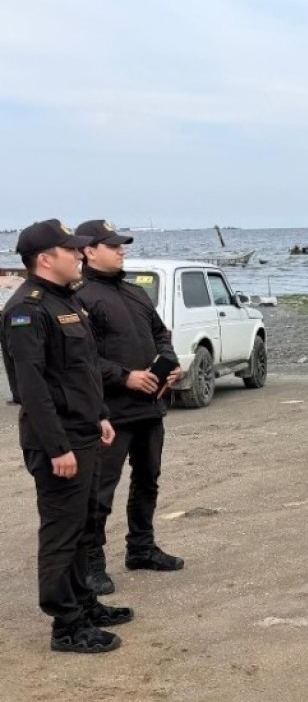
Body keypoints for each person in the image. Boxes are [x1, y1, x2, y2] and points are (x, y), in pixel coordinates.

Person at [0, 219, 131, 653]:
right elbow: (31, 387)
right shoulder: (27, 310)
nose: (78, 255)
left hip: (84, 431)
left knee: (85, 523)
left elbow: (81, 370)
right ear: (44, 259)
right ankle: (66, 625)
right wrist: (58, 447)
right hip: (58, 442)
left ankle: (85, 604)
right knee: (62, 533)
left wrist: (100, 415)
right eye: (69, 250)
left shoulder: (64, 302)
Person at [73, 219, 184, 598]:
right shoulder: (80, 297)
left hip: (149, 408)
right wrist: (125, 376)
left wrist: (168, 366)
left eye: (122, 245)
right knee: (100, 490)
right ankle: (92, 563)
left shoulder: (135, 292)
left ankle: (141, 548)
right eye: (113, 245)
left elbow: (161, 334)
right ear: (88, 251)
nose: (122, 250)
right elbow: (81, 358)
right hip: (110, 411)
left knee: (148, 480)